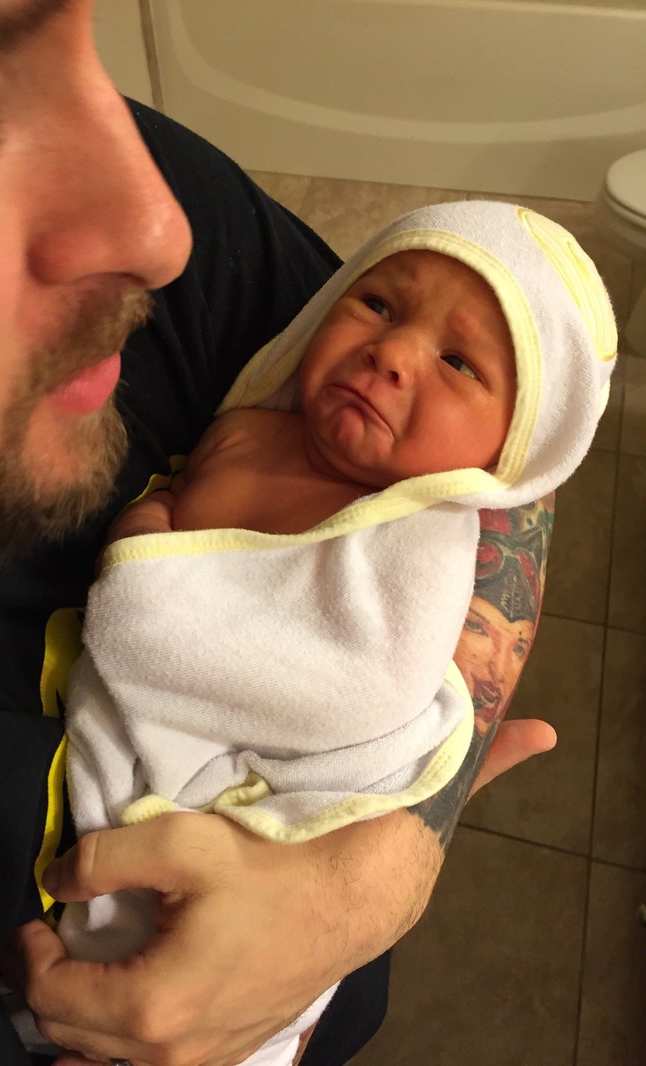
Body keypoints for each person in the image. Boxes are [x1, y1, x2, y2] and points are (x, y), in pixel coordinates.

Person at [0, 3, 560, 1065]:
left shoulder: (165, 215)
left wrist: (376, 872)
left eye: (75, 47)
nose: (157, 232)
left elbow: (508, 457)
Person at [50, 201, 616, 1066]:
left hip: (252, 805)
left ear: (513, 451)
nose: (391, 354)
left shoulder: (420, 542)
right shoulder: (248, 426)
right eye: (378, 305)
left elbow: (353, 684)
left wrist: (142, 554)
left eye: (458, 361)